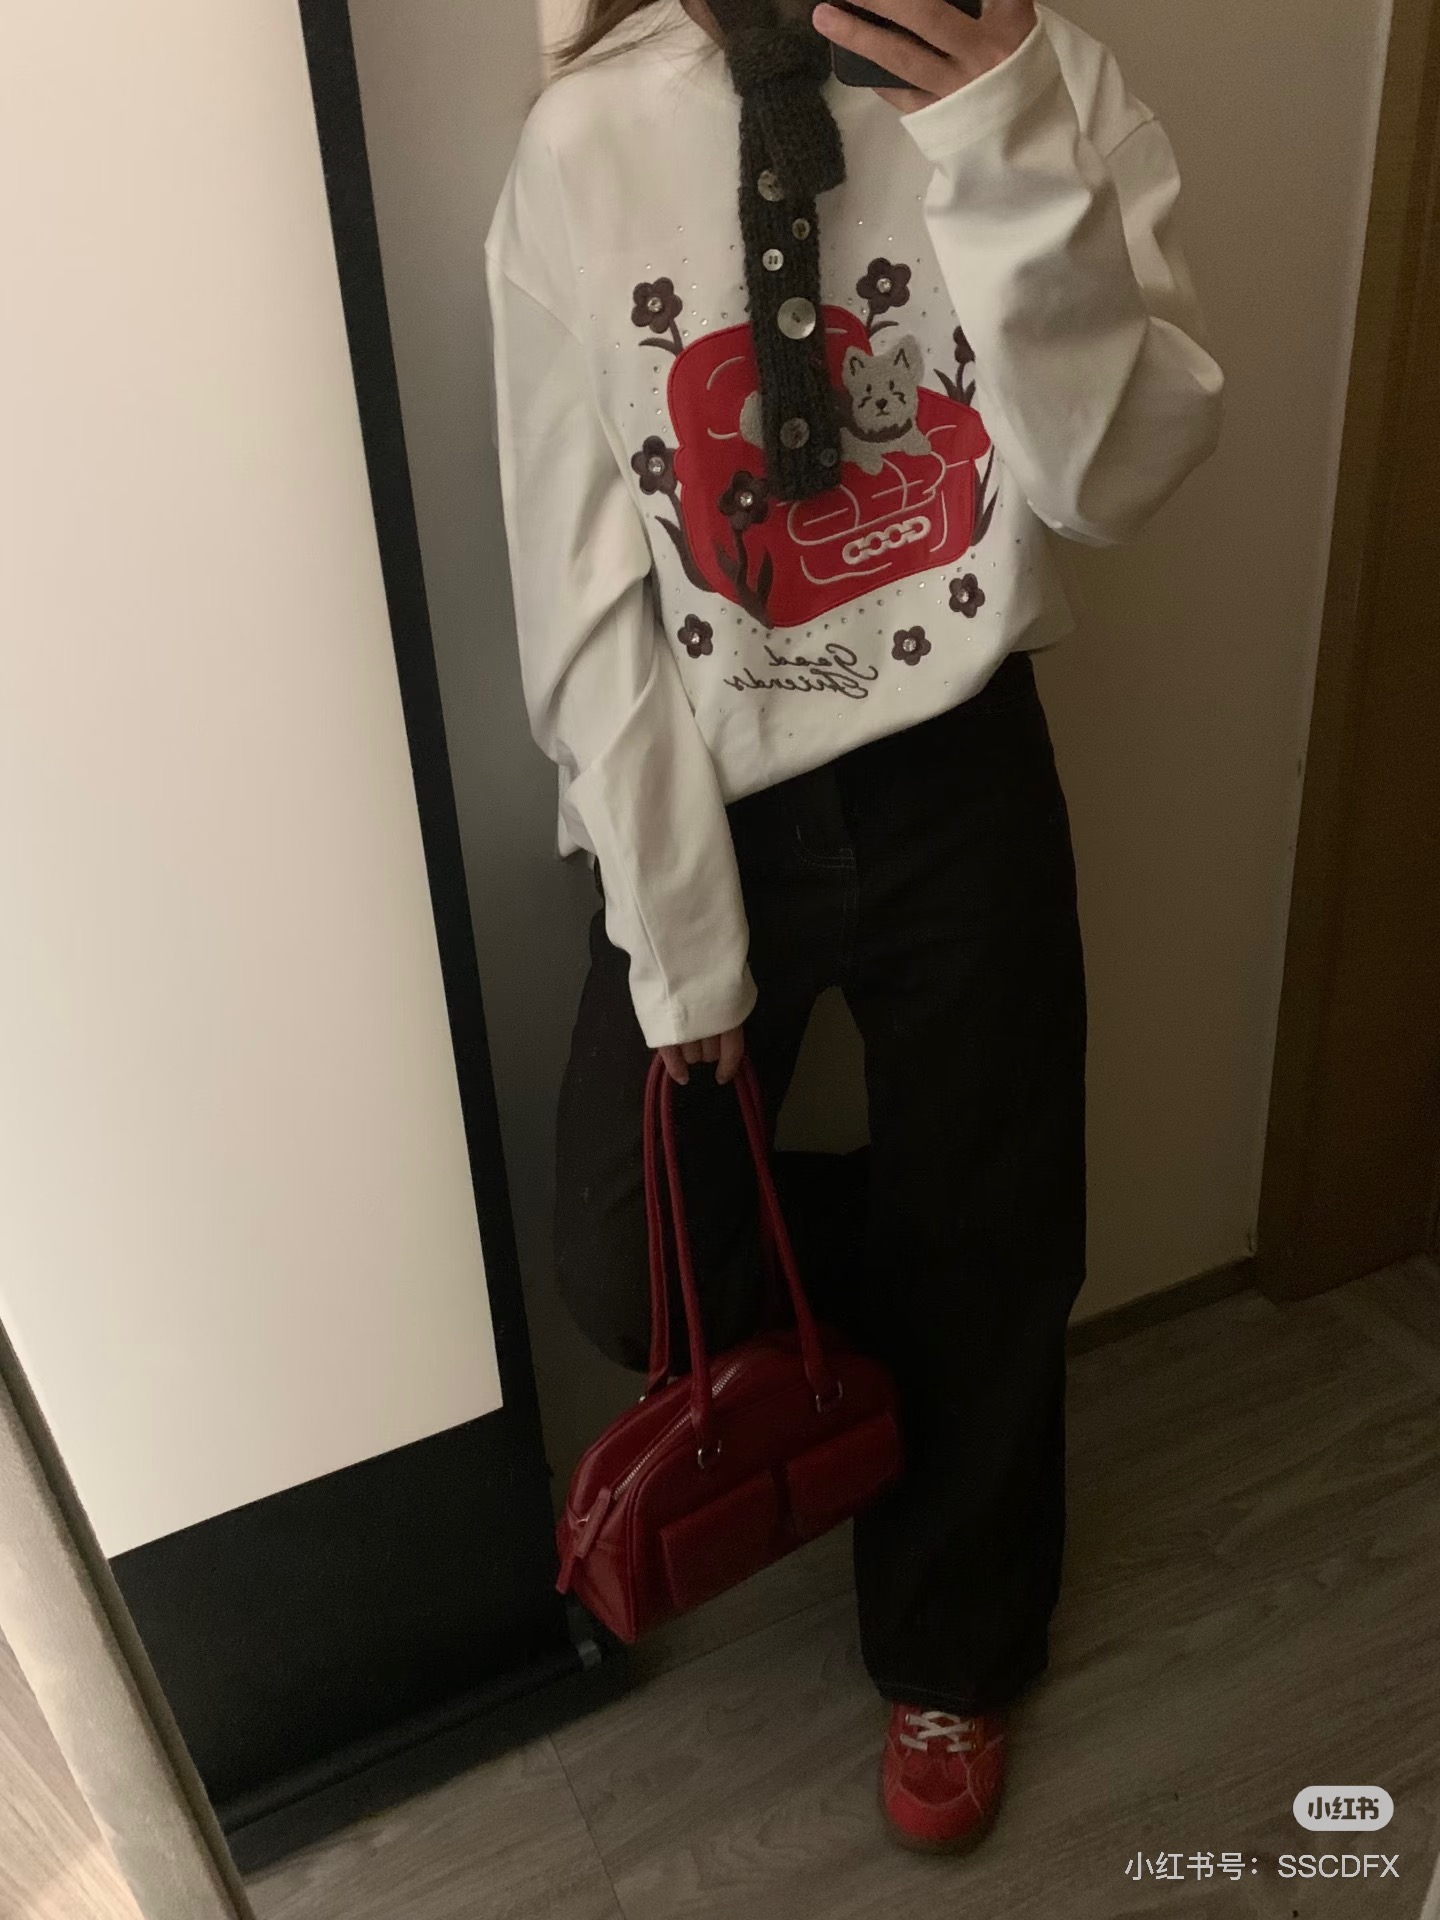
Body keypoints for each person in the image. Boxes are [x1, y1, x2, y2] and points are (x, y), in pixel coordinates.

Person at [485, 0, 1222, 1856]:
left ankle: (957, 1643)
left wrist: (1002, 138)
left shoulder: (1047, 80)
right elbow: (579, 588)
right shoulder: (584, 145)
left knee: (996, 1221)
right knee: (635, 1260)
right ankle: (944, 1298)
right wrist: (678, 940)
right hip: (707, 781)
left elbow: (1115, 477)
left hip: (960, 768)